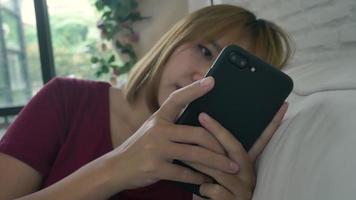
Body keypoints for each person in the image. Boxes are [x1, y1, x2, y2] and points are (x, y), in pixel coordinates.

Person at [0, 4, 293, 200]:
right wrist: (117, 168)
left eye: (229, 79)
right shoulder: (66, 99)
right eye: (205, 51)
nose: (204, 78)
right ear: (175, 40)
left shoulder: (205, 171)